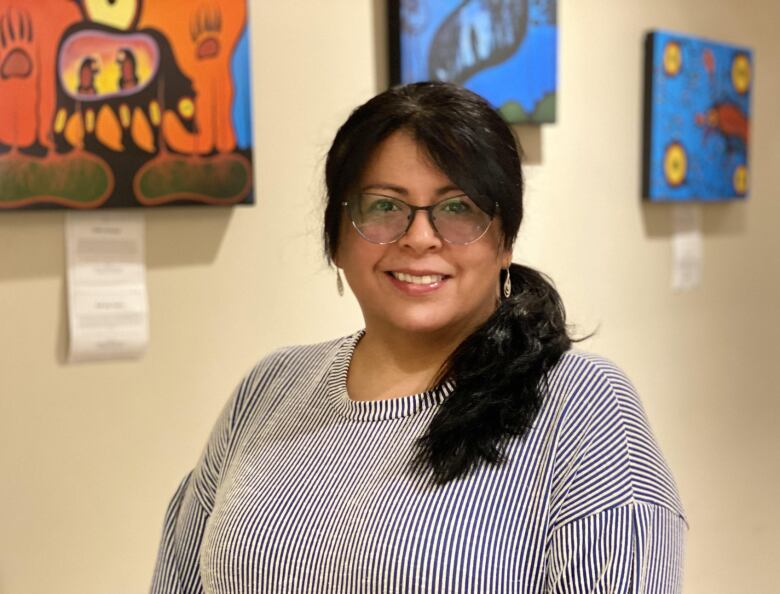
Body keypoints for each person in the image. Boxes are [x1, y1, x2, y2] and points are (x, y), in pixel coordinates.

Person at [150, 82, 686, 593]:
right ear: (336, 240)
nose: (420, 238)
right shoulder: (270, 387)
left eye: (458, 209)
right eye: (384, 206)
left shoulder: (585, 406)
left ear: (505, 242)